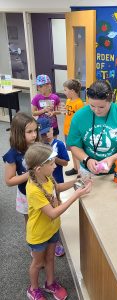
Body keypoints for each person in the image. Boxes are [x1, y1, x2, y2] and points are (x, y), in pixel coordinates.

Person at [25, 142, 92, 300]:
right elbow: (52, 213)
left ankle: (50, 283)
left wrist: (77, 182)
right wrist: (76, 195)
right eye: (52, 163)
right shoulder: (33, 189)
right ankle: (33, 289)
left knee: (50, 258)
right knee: (37, 262)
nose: (55, 166)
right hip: (39, 234)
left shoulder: (46, 177)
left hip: (52, 229)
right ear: (39, 169)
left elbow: (57, 188)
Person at [66, 80, 117, 175]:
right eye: (92, 105)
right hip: (88, 168)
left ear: (111, 101)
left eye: (101, 107)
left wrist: (112, 158)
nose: (96, 110)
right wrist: (87, 160)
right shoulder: (79, 116)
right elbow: (74, 145)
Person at [38, 118, 70, 257]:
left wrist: (53, 157)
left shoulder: (59, 144)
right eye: (43, 134)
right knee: (46, 209)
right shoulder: (39, 146)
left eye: (48, 132)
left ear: (52, 129)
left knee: (56, 205)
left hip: (57, 181)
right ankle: (46, 237)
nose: (47, 136)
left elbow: (65, 163)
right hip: (43, 183)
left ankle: (56, 238)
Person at [2, 112, 39, 224]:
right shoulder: (13, 154)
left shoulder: (37, 145)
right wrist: (30, 174)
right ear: (18, 133)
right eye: (29, 132)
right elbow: (9, 181)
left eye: (35, 130)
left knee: (43, 217)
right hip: (26, 192)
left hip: (42, 188)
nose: (34, 135)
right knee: (31, 221)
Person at [63, 79, 84, 176]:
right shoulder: (68, 101)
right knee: (72, 150)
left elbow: (81, 119)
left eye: (65, 90)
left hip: (74, 132)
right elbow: (67, 114)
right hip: (67, 130)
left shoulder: (79, 103)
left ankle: (80, 171)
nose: (64, 92)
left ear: (72, 91)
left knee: (77, 151)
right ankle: (75, 168)